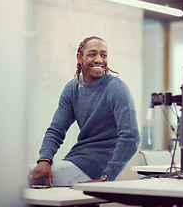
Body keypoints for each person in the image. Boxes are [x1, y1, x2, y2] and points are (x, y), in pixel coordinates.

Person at [29, 36, 140, 187]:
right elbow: (56, 130)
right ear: (79, 58)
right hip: (76, 159)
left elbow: (131, 137)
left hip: (98, 168)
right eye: (93, 54)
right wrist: (45, 160)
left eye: (104, 55)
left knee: (24, 180)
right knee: (27, 173)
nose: (99, 59)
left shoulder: (117, 89)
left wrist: (107, 177)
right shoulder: (72, 88)